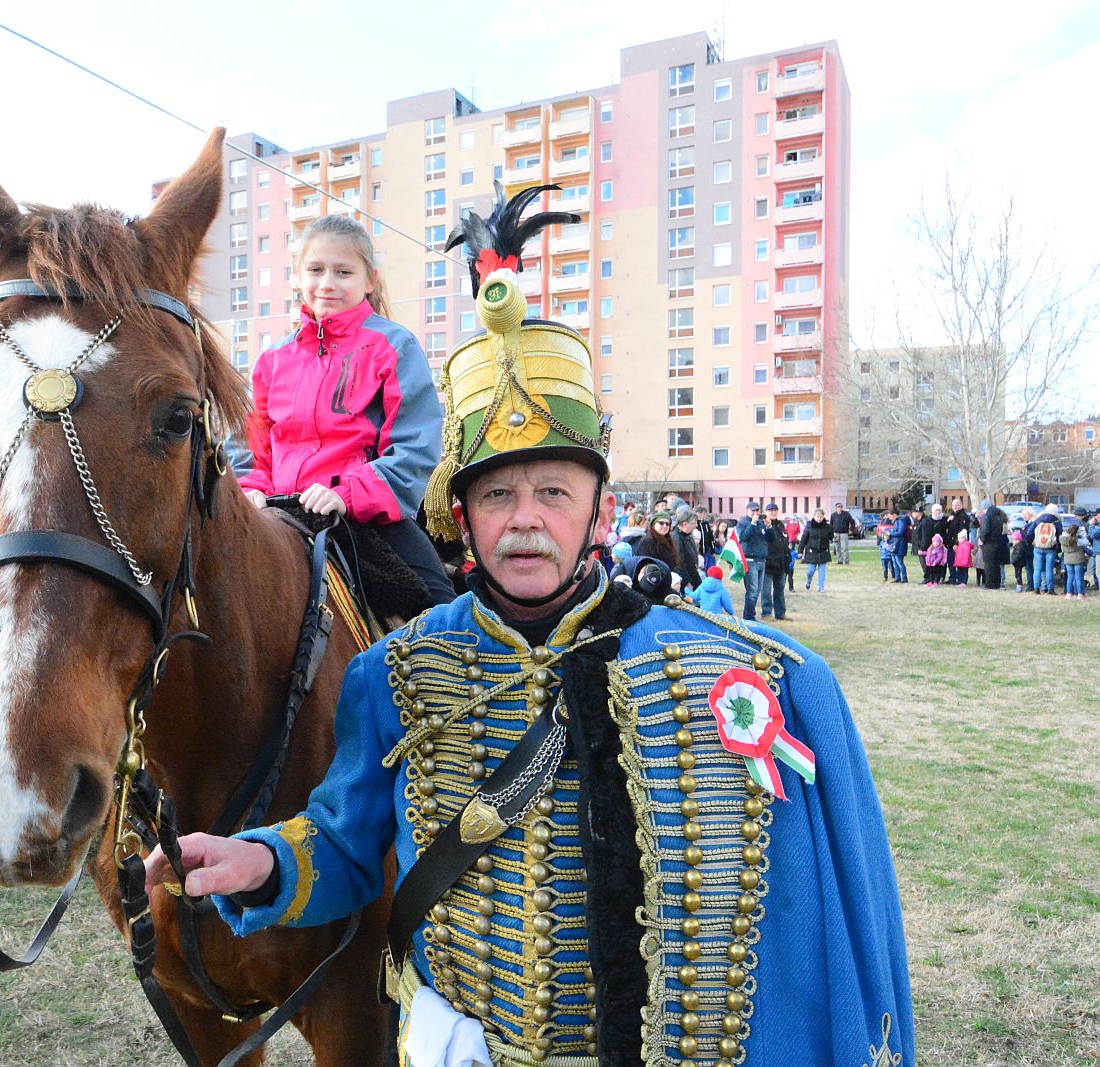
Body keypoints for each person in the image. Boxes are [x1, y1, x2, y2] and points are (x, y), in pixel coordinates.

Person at [145, 245, 913, 1067]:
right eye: (497, 494)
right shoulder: (390, 676)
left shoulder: (755, 679)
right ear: (461, 515)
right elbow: (341, 842)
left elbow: (810, 938)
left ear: (600, 510)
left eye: (553, 492)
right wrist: (260, 859)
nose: (524, 520)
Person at [239, 214, 454, 606]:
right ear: (298, 275)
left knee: (440, 609)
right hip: (276, 513)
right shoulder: (272, 359)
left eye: (343, 272)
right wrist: (251, 490)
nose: (327, 284)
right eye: (316, 270)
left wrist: (348, 494)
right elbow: (254, 447)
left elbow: (416, 446)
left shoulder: (394, 346)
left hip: (364, 517)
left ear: (368, 280)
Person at [735, 501, 769, 621]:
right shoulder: (742, 523)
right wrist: (752, 524)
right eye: (753, 511)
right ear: (747, 511)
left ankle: (750, 614)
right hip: (750, 560)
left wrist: (769, 527)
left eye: (757, 510)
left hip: (761, 560)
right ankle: (749, 616)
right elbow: (743, 537)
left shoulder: (761, 523)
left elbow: (769, 539)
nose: (755, 513)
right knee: (752, 590)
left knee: (757, 590)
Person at [1026, 504, 1063, 594]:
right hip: (1051, 548)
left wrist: (1031, 542)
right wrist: (1058, 549)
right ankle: (1050, 589)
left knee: (1038, 568)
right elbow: (1059, 536)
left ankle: (1036, 588)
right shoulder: (1057, 521)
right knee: (1049, 569)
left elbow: (1029, 533)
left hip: (1038, 547)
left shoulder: (1038, 520)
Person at [763, 504, 791, 620]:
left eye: (775, 510)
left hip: (781, 563)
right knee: (766, 590)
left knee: (779, 589)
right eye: (771, 511)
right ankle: (766, 613)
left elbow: (785, 541)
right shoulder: (763, 525)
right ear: (766, 512)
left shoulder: (780, 525)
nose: (773, 513)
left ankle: (780, 613)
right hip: (768, 563)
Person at [800, 508, 833, 592]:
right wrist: (800, 551)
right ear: (814, 516)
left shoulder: (827, 526)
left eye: (821, 517)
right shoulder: (809, 526)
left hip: (823, 552)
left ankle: (821, 587)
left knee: (822, 572)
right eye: (818, 517)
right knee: (810, 571)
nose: (819, 519)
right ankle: (808, 582)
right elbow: (803, 539)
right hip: (812, 552)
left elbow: (831, 537)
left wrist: (834, 537)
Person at [979, 499, 1008, 590]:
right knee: (996, 564)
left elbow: (985, 530)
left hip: (989, 543)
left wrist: (982, 539)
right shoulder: (999, 514)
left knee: (988, 564)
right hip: (998, 542)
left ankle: (989, 584)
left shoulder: (987, 516)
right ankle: (997, 583)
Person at [671, 511, 703, 592]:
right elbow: (679, 562)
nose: (696, 525)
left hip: (693, 572)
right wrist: (687, 581)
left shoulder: (688, 534)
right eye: (694, 523)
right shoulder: (676, 537)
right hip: (685, 577)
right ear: (685, 524)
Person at [1061, 522, 1090, 600]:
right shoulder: (1078, 540)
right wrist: (1083, 534)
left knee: (1070, 577)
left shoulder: (1063, 539)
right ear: (1077, 531)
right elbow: (1087, 542)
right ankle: (1080, 594)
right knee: (1079, 577)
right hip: (1078, 559)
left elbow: (1062, 550)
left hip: (1068, 560)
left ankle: (1068, 594)